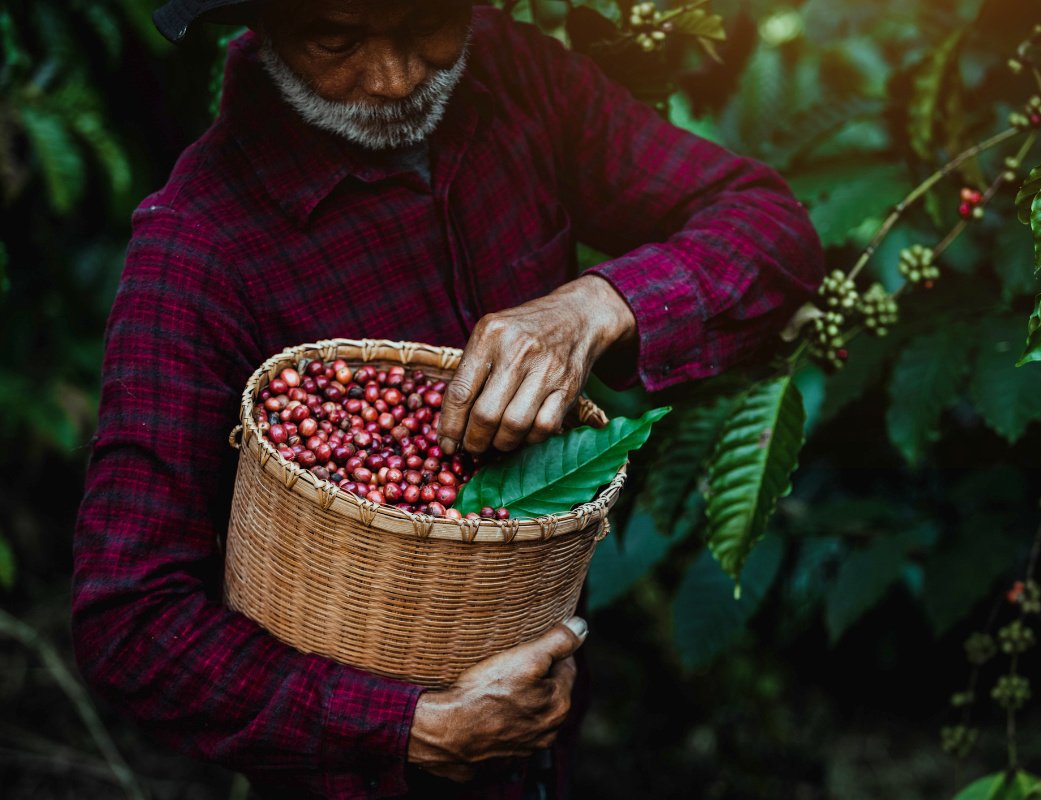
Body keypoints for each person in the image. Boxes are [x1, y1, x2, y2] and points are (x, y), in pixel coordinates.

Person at [72, 0, 824, 797]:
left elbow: (772, 230)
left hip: (545, 722)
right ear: (262, 26)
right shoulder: (198, 249)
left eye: (427, 23)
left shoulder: (515, 77)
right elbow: (132, 621)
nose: (395, 79)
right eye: (337, 37)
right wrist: (404, 727)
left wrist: (596, 305)